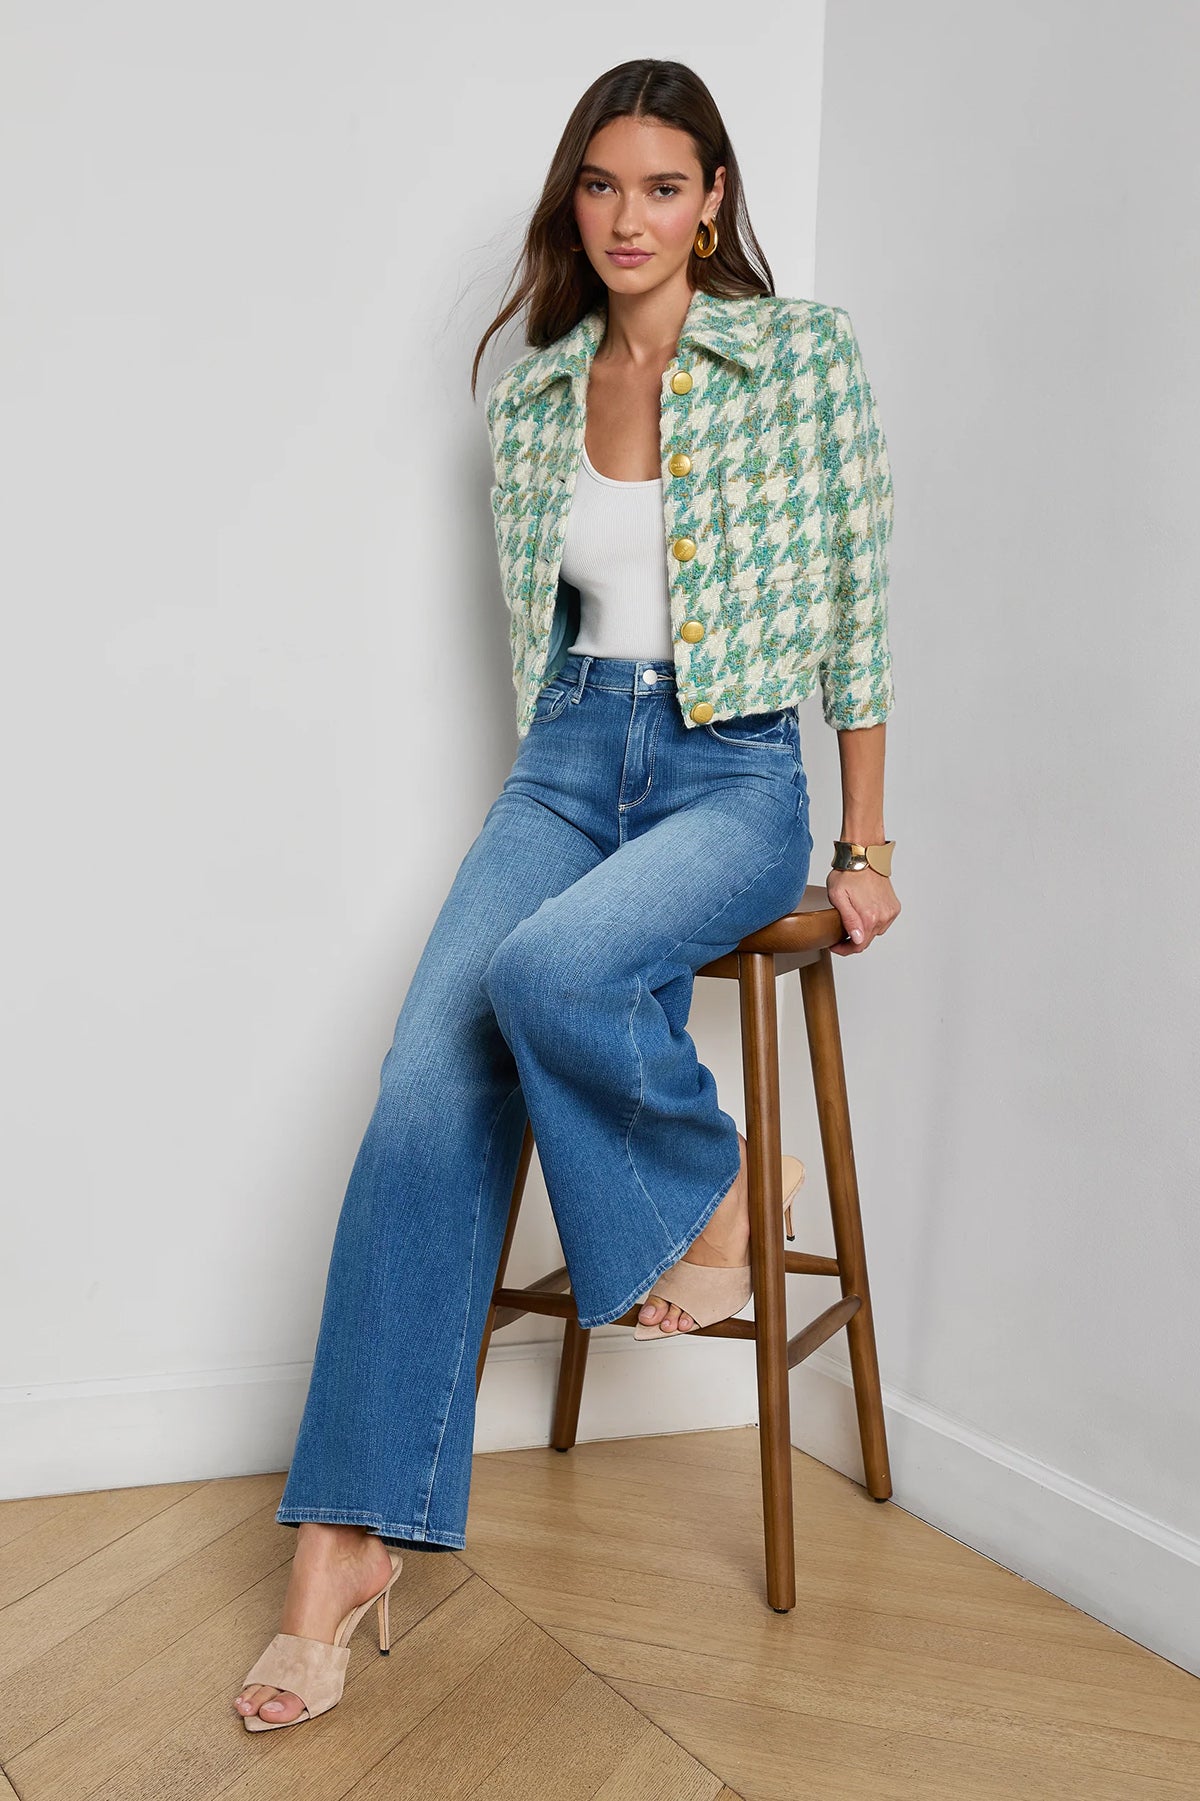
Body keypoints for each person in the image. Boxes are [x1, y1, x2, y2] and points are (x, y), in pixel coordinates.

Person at [234, 56, 901, 1731]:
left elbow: (865, 601)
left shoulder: (800, 357)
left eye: (664, 186)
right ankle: (339, 1552)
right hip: (564, 762)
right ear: (575, 198)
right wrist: (561, 778)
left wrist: (866, 844)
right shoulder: (535, 393)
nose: (630, 217)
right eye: (603, 185)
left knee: (547, 977)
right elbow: (541, 646)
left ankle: (728, 1202)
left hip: (733, 770)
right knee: (413, 1094)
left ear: (715, 202)